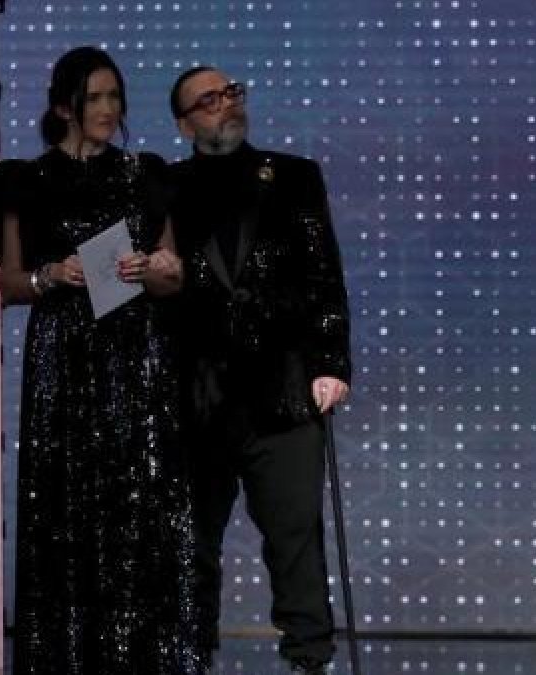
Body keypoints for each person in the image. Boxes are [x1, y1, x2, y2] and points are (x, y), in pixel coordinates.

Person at [0, 46, 201, 673]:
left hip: (136, 355)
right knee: (65, 508)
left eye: (114, 96)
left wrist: (159, 268)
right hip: (63, 357)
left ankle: (148, 658)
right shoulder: (27, 181)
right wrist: (50, 274)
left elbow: (173, 278)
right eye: (94, 97)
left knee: (142, 501)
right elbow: (10, 284)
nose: (108, 108)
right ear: (64, 104)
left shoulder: (146, 174)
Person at [166, 65, 352, 674]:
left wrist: (332, 363)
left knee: (295, 536)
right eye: (210, 99)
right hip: (197, 392)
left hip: (282, 385)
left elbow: (325, 275)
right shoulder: (162, 188)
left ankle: (309, 657)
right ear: (184, 121)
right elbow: (127, 278)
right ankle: (192, 653)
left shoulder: (293, 177)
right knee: (192, 544)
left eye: (231, 93)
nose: (227, 105)